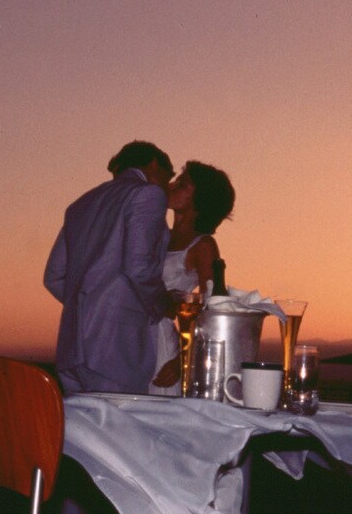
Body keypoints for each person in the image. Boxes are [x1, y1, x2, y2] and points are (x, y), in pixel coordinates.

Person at [44, 141, 175, 395]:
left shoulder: (79, 205)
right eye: (168, 177)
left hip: (72, 345)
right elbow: (139, 267)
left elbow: (54, 276)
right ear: (154, 165)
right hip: (116, 344)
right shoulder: (148, 194)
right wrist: (163, 305)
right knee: (119, 419)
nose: (167, 186)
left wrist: (90, 305)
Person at [149, 160, 236, 395]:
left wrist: (182, 359)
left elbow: (212, 309)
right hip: (133, 336)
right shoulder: (158, 235)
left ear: (200, 199)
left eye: (183, 183)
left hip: (161, 344)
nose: (172, 184)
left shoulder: (203, 245)